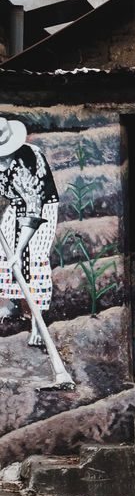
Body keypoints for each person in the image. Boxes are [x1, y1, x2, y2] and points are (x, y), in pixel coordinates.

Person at [0, 118, 60, 347]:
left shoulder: (26, 163)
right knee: (5, 256)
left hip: (42, 208)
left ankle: (37, 322)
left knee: (34, 258)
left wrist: (20, 249)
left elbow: (34, 210)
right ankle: (15, 303)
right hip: (15, 204)